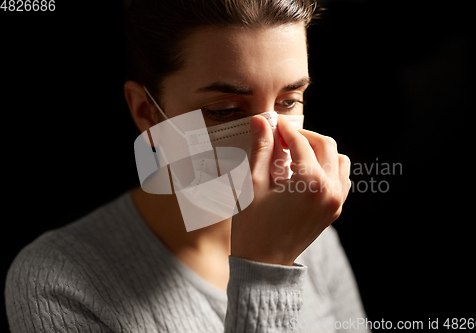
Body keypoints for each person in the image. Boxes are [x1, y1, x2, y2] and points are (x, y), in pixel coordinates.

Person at [5, 0, 369, 332]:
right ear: (146, 111)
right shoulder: (57, 282)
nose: (269, 139)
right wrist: (264, 272)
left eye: (288, 102)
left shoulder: (309, 236)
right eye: (225, 111)